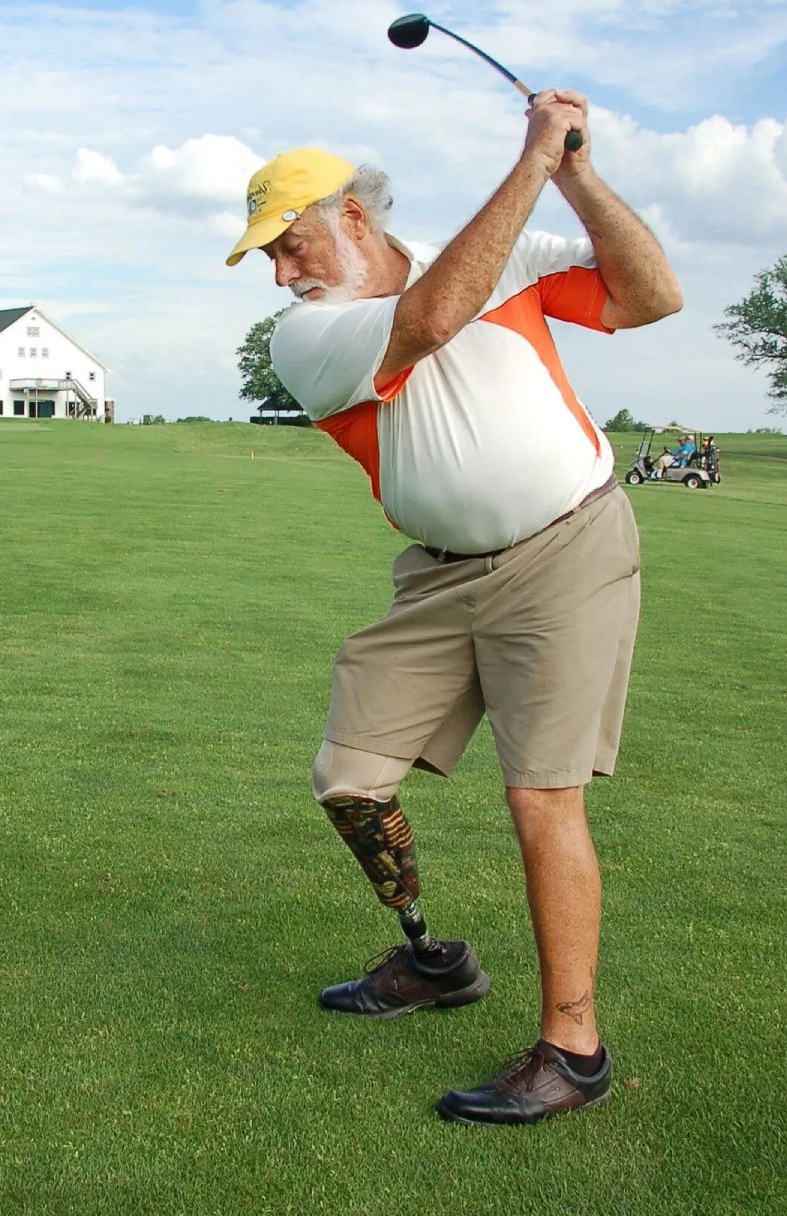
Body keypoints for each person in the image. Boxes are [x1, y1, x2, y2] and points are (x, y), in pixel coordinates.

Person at [226, 91, 681, 1125]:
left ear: (354, 216)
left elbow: (651, 295)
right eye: (269, 258)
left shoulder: (502, 247)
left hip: (568, 544)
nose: (284, 274)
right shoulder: (307, 337)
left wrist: (574, 176)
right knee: (348, 779)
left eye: (292, 245)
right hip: (436, 577)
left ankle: (575, 1046)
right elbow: (429, 317)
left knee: (540, 796)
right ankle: (435, 958)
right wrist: (529, 162)